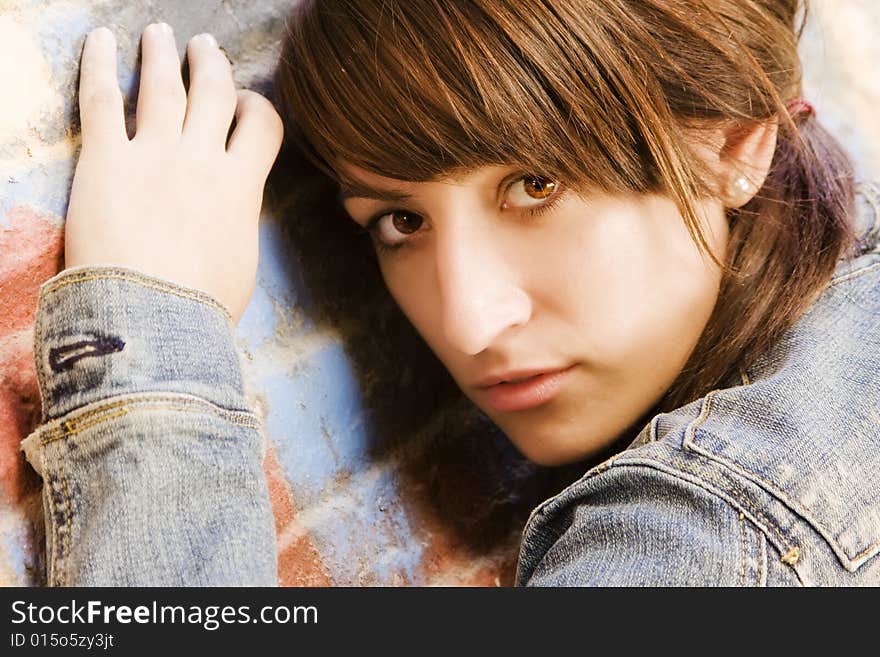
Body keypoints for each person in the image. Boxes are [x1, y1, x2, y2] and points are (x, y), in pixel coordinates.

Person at [21, 0, 879, 586]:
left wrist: (152, 349)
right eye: (399, 221)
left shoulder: (708, 541)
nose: (468, 320)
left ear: (734, 144)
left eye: (537, 185)